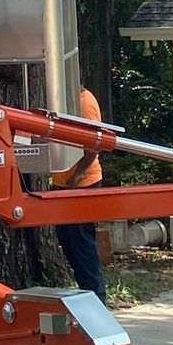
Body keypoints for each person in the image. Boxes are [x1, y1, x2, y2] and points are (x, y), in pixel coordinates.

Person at [53, 83, 107, 302]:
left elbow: (94, 145)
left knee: (82, 245)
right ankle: (87, 295)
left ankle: (97, 298)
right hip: (66, 184)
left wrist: (77, 176)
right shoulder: (69, 103)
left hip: (82, 184)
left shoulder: (84, 103)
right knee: (68, 243)